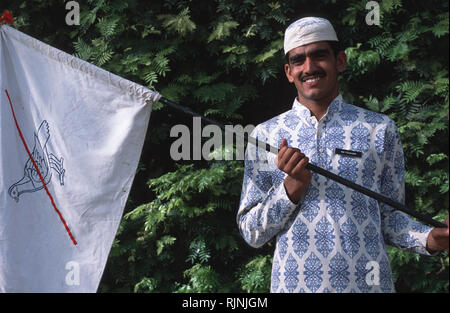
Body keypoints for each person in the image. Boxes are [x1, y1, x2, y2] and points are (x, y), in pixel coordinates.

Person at [237, 17, 449, 293]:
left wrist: (431, 239)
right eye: (298, 60)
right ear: (289, 72)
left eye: (319, 55)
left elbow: (391, 217)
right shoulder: (265, 136)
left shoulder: (380, 129)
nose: (309, 67)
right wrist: (291, 188)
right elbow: (252, 232)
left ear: (340, 61)